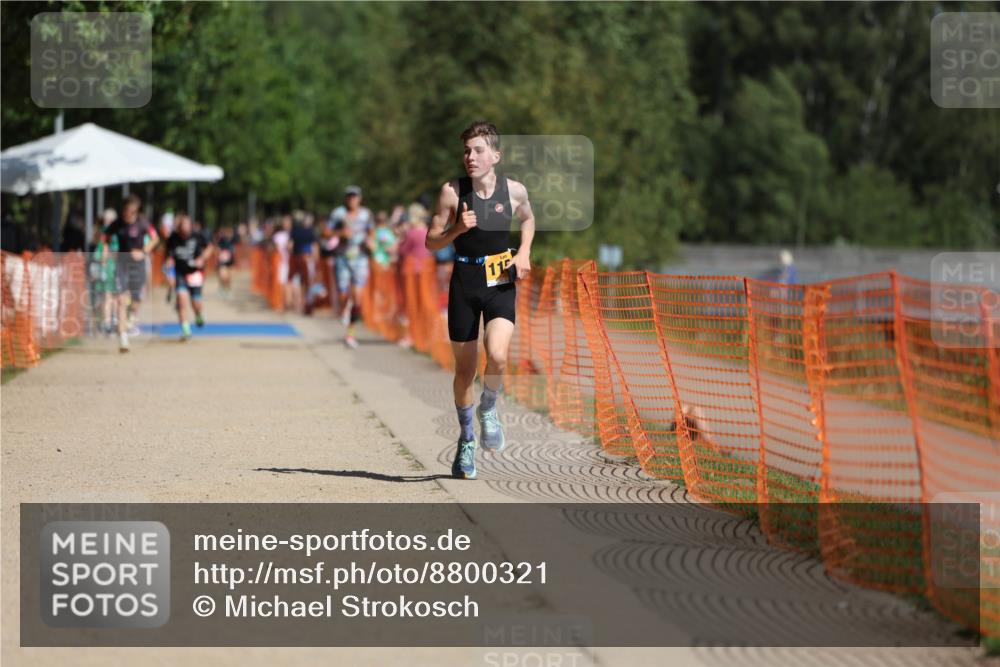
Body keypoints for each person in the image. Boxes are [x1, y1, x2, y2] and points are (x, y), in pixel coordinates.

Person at [425, 121, 534, 480]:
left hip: (500, 275)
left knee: (498, 355)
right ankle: (467, 438)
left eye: (478, 150)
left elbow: (528, 219)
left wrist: (524, 252)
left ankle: (488, 407)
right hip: (465, 279)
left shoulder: (514, 190)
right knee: (465, 371)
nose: (470, 157)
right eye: (466, 151)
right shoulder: (452, 192)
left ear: (495, 156)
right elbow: (431, 242)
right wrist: (457, 229)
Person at [102, 194, 158, 352]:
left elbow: (155, 239)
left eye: (131, 211)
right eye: (126, 210)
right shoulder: (117, 223)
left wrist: (143, 251)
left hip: (138, 265)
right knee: (121, 300)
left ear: (136, 211)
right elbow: (105, 237)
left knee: (137, 298)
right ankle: (123, 338)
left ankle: (132, 316)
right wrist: (106, 253)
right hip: (122, 264)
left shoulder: (143, 223)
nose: (128, 214)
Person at [330, 186, 374, 348]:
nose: (352, 199)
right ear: (345, 199)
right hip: (342, 257)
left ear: (359, 198)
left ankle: (350, 334)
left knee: (358, 297)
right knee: (344, 295)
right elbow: (325, 232)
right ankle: (345, 308)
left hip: (360, 258)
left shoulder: (366, 214)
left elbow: (371, 231)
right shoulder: (338, 213)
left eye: (354, 196)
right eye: (349, 196)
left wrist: (370, 241)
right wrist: (340, 234)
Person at [165, 213, 213, 340]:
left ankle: (198, 314)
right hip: (180, 273)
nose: (184, 228)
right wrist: (169, 269)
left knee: (196, 303)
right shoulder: (173, 238)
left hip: (195, 273)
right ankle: (185, 329)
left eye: (187, 225)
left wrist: (202, 258)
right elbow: (168, 256)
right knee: (181, 300)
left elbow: (210, 247)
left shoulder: (198, 236)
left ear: (191, 226)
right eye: (182, 225)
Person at [395, 203, 432, 348]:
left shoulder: (412, 233)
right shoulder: (427, 230)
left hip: (410, 271)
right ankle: (424, 334)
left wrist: (400, 240)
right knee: (423, 301)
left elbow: (403, 250)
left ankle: (408, 336)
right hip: (426, 270)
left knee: (409, 303)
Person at [288, 212, 319, 315]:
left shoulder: (294, 231)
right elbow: (315, 247)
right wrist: (315, 259)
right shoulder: (310, 232)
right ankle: (307, 303)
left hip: (296, 258)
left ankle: (297, 303)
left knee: (295, 281)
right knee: (307, 282)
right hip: (307, 259)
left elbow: (290, 246)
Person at [215, 226, 237, 297]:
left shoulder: (233, 241)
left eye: (231, 233)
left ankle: (228, 290)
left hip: (230, 262)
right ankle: (222, 288)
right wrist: (219, 256)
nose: (229, 234)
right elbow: (217, 249)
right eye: (228, 233)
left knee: (229, 278)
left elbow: (234, 251)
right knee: (223, 276)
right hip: (222, 262)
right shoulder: (222, 241)